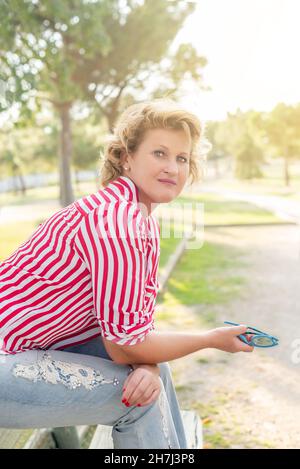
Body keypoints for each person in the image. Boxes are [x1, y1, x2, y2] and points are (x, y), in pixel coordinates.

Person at [0, 99, 253, 449]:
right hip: (7, 360)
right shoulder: (119, 221)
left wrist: (146, 364)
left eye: (182, 158)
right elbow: (124, 346)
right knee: (140, 402)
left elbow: (133, 332)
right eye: (159, 153)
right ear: (126, 158)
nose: (173, 168)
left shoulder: (131, 216)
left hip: (24, 353)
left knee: (154, 375)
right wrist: (211, 338)